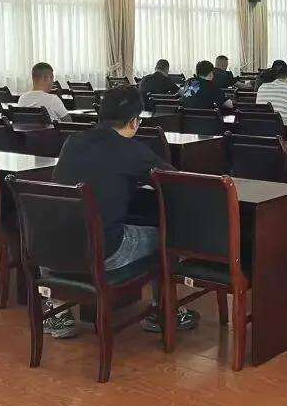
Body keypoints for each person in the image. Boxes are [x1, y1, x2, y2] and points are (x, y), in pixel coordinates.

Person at [51, 86, 199, 337]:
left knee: (87, 226)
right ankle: (164, 313)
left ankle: (57, 313)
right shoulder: (131, 150)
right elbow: (176, 181)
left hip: (53, 250)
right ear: (134, 122)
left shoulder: (72, 142)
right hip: (103, 252)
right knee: (164, 237)